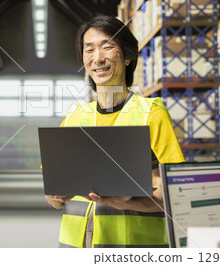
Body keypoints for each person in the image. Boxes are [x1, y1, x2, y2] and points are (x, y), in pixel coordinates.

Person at [45, 14, 185, 248]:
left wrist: (130, 202)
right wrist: (55, 197)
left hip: (130, 248)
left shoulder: (151, 114)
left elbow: (176, 193)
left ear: (128, 56)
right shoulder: (74, 117)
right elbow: (53, 198)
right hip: (74, 247)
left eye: (107, 47)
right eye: (89, 50)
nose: (97, 58)